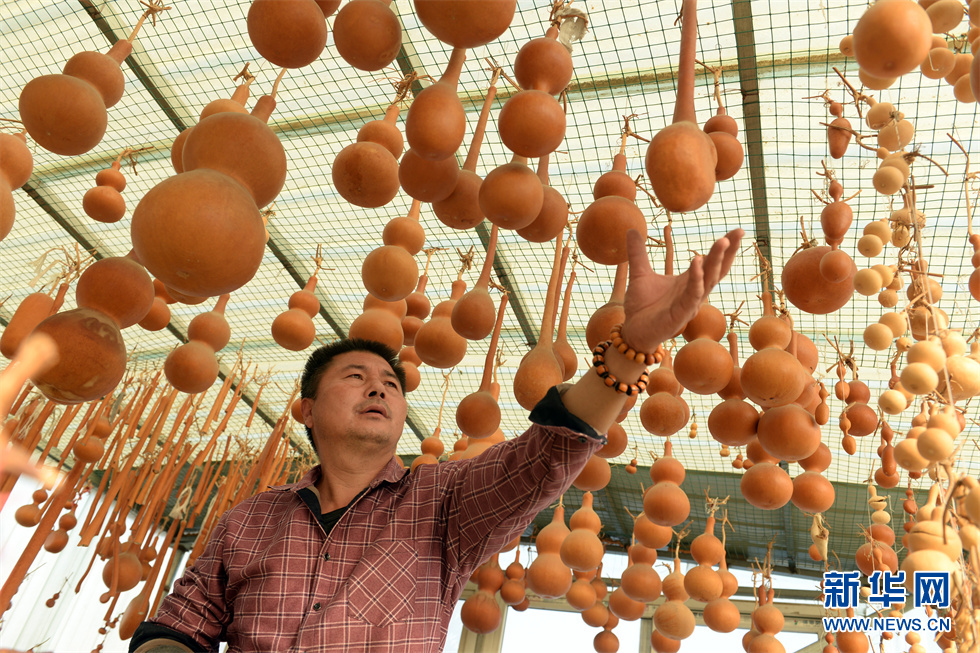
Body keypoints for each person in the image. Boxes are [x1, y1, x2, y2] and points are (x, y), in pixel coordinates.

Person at [130, 228, 743, 652]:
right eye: (357, 377)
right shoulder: (248, 521)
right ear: (307, 410)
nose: (380, 390)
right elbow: (181, 624)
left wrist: (632, 349)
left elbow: (547, 454)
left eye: (392, 385)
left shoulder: (443, 502)